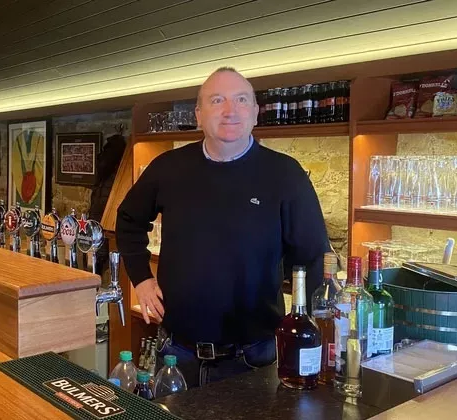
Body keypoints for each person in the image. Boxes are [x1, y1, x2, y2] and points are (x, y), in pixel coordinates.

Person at [116, 67, 330, 387]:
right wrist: (142, 279)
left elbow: (313, 259)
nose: (230, 110)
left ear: (255, 113)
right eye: (217, 100)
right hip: (176, 354)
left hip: (255, 358)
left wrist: (312, 338)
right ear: (199, 115)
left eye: (241, 100)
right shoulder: (168, 168)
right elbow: (128, 220)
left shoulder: (286, 175)